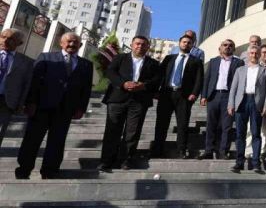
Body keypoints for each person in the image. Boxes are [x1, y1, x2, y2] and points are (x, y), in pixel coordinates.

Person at [15, 32, 93, 179]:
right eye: (69, 41)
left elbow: (86, 89)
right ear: (61, 43)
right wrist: (30, 102)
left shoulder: (86, 65)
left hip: (65, 109)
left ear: (80, 45)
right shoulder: (46, 57)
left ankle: (50, 170)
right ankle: (24, 170)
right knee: (32, 139)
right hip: (42, 106)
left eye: (75, 42)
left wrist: (81, 108)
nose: (72, 44)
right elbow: (35, 81)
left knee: (57, 141)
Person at [98, 36, 161, 172]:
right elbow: (110, 72)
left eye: (144, 44)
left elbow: (157, 80)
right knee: (112, 131)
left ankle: (126, 160)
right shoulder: (120, 58)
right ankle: (106, 161)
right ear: (132, 45)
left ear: (148, 47)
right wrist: (123, 83)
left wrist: (143, 86)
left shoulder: (153, 64)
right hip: (117, 99)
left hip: (139, 101)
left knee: (132, 132)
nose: (140, 46)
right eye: (137, 44)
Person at [152, 35, 204, 159]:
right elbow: (160, 75)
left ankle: (181, 149)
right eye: (184, 42)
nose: (186, 44)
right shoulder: (169, 58)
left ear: (192, 45)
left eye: (189, 43)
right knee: (161, 123)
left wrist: (194, 93)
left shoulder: (196, 61)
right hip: (166, 94)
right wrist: (156, 90)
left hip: (184, 96)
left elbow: (199, 79)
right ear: (179, 43)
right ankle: (157, 149)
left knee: (182, 124)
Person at [228, 45, 266, 174]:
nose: (254, 55)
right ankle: (239, 163)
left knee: (256, 133)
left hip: (256, 103)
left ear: (259, 54)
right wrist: (231, 104)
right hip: (242, 102)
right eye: (251, 53)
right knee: (240, 134)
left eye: (256, 53)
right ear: (248, 54)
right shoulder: (240, 70)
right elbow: (233, 88)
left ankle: (256, 163)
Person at [200, 40, 244, 160]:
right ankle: (208, 150)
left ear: (234, 49)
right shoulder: (213, 61)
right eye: (225, 45)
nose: (227, 47)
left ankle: (223, 151)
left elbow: (240, 82)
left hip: (228, 97)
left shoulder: (239, 62)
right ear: (220, 48)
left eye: (230, 46)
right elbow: (207, 78)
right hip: (213, 96)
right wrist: (203, 96)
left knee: (227, 126)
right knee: (211, 124)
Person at [0, 28, 34, 147]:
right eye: (3, 37)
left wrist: (21, 104)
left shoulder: (26, 62)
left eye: (11, 39)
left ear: (19, 43)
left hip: (6, 102)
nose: (5, 41)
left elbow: (26, 84)